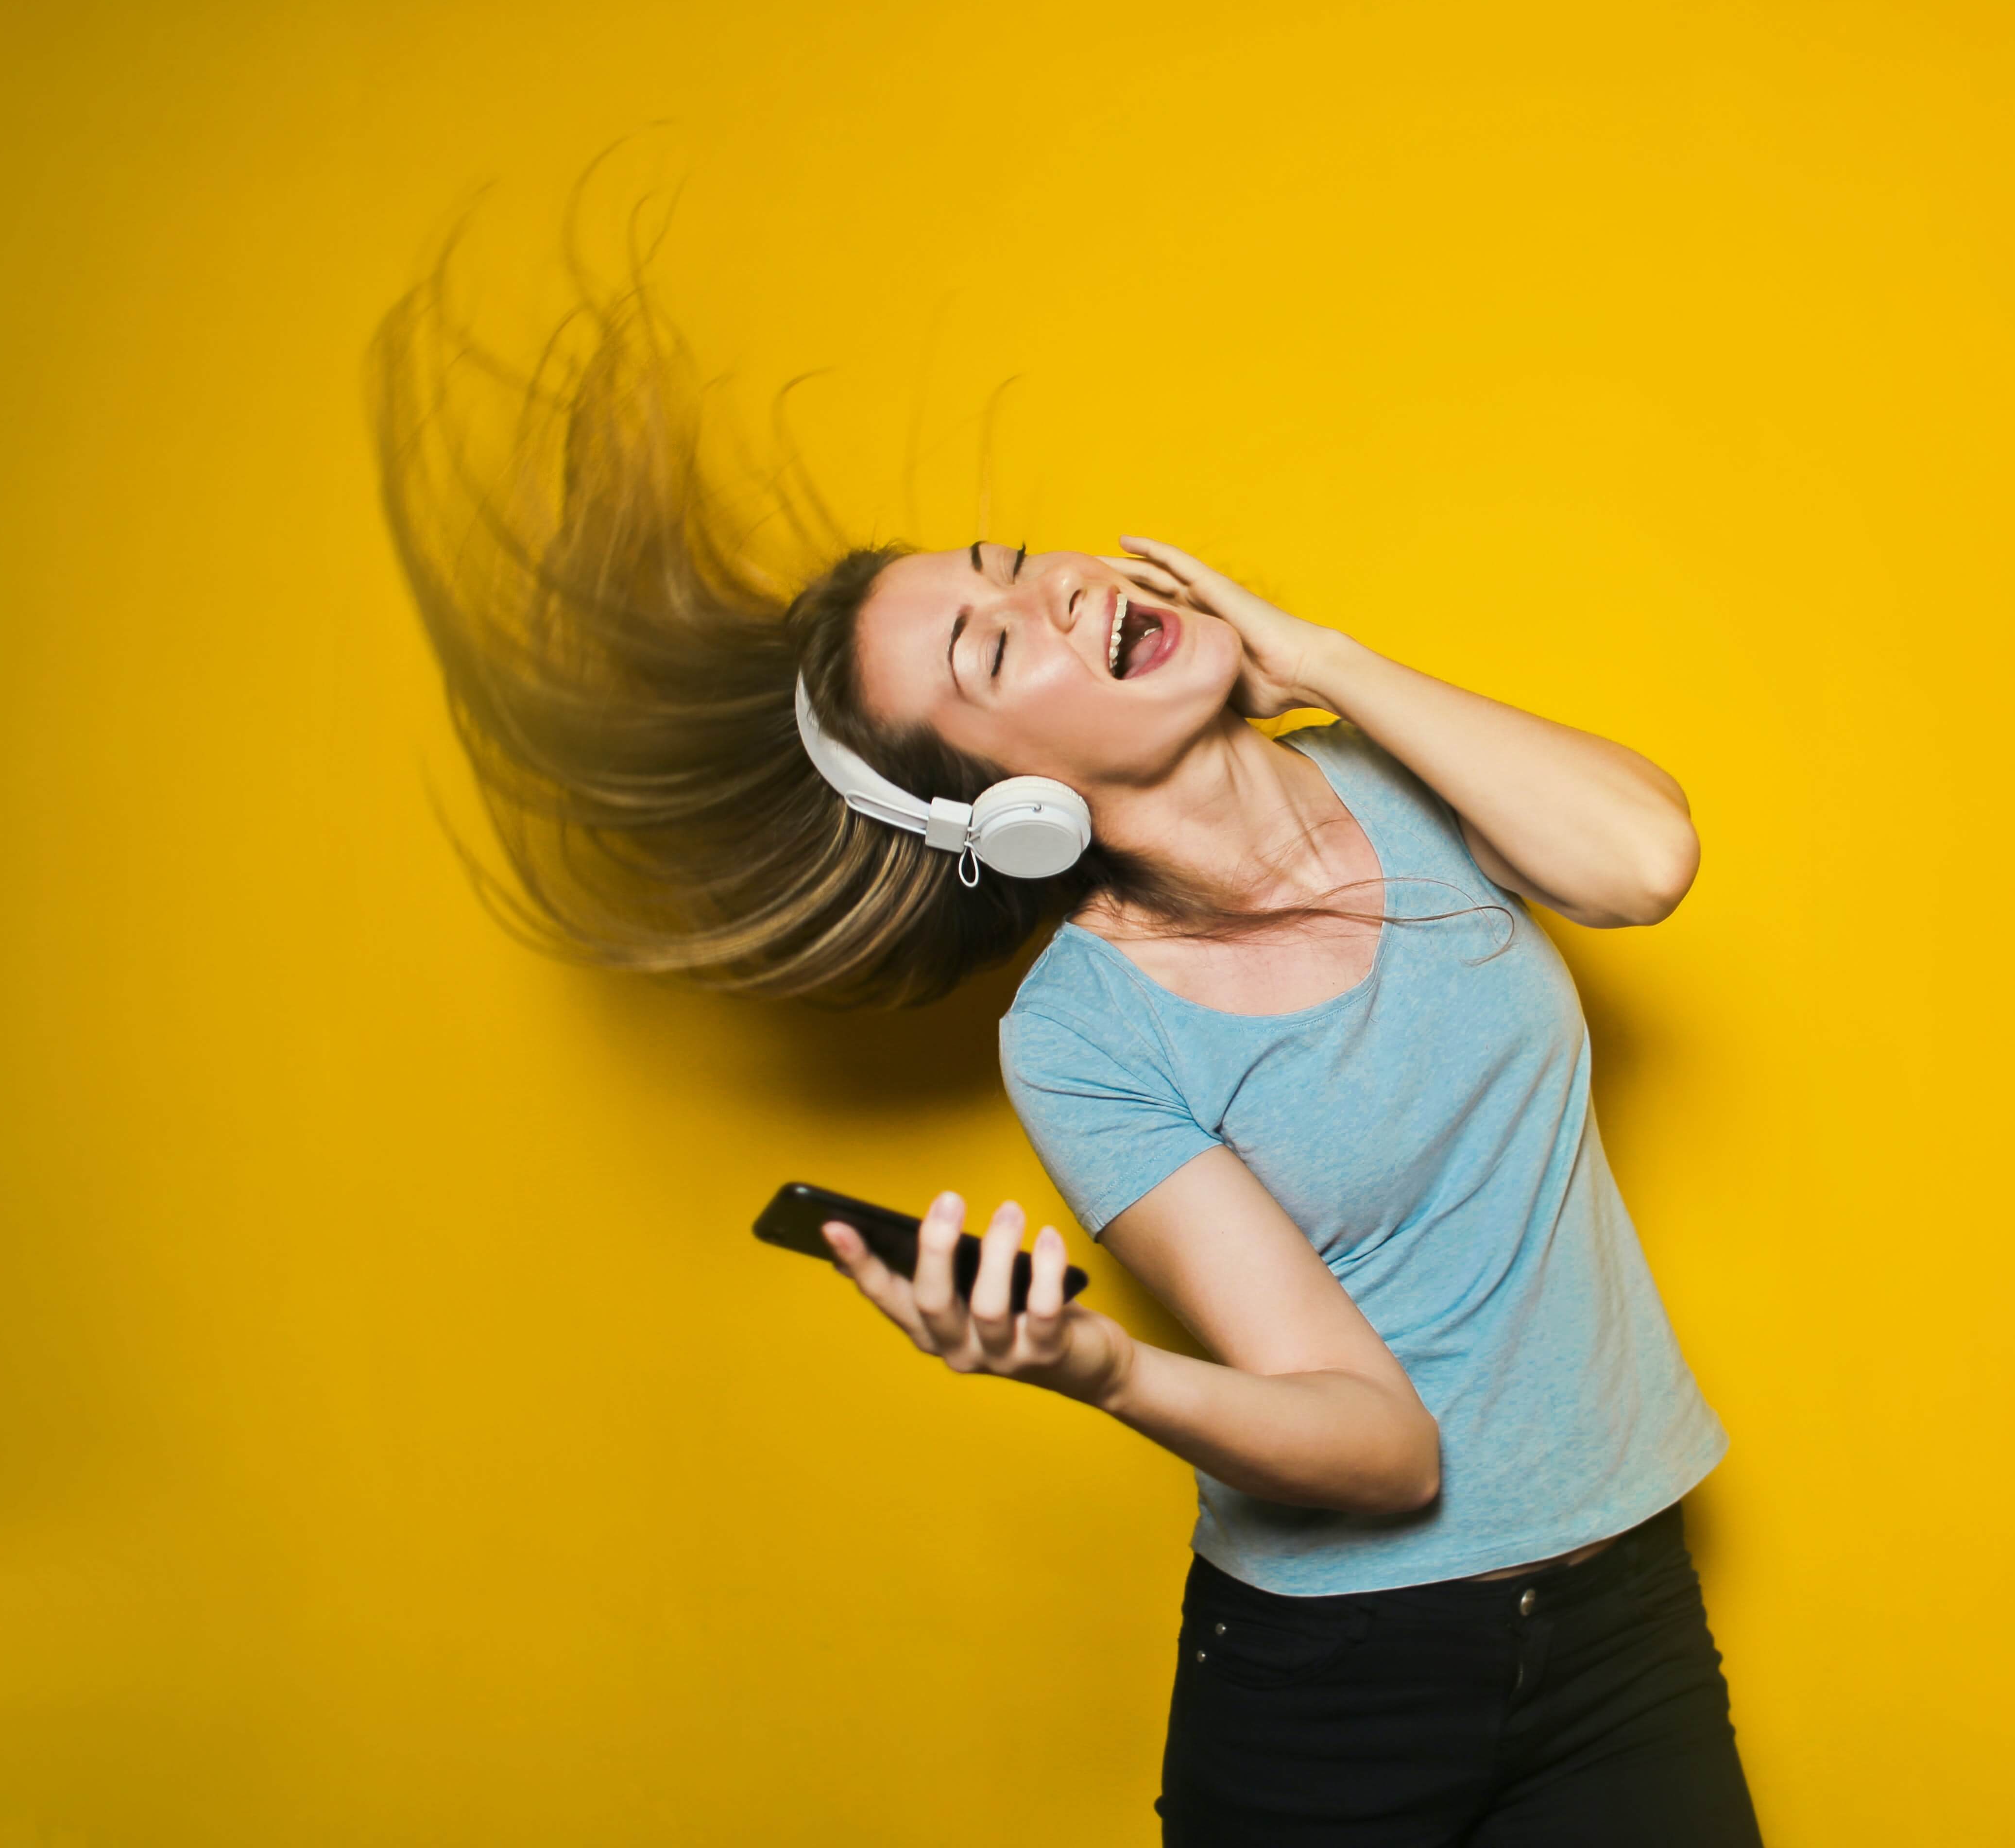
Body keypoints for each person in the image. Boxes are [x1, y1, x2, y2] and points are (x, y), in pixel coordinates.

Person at [372, 266, 1761, 1846]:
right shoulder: (1087, 1035)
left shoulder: (1400, 772)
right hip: (1342, 1689)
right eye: (987, 651)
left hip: (1624, 1608)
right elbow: (1380, 1451)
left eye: (1017, 568)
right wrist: (1098, 1368)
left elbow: (1642, 863)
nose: (1055, 596)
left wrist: (1315, 655)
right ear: (1006, 807)